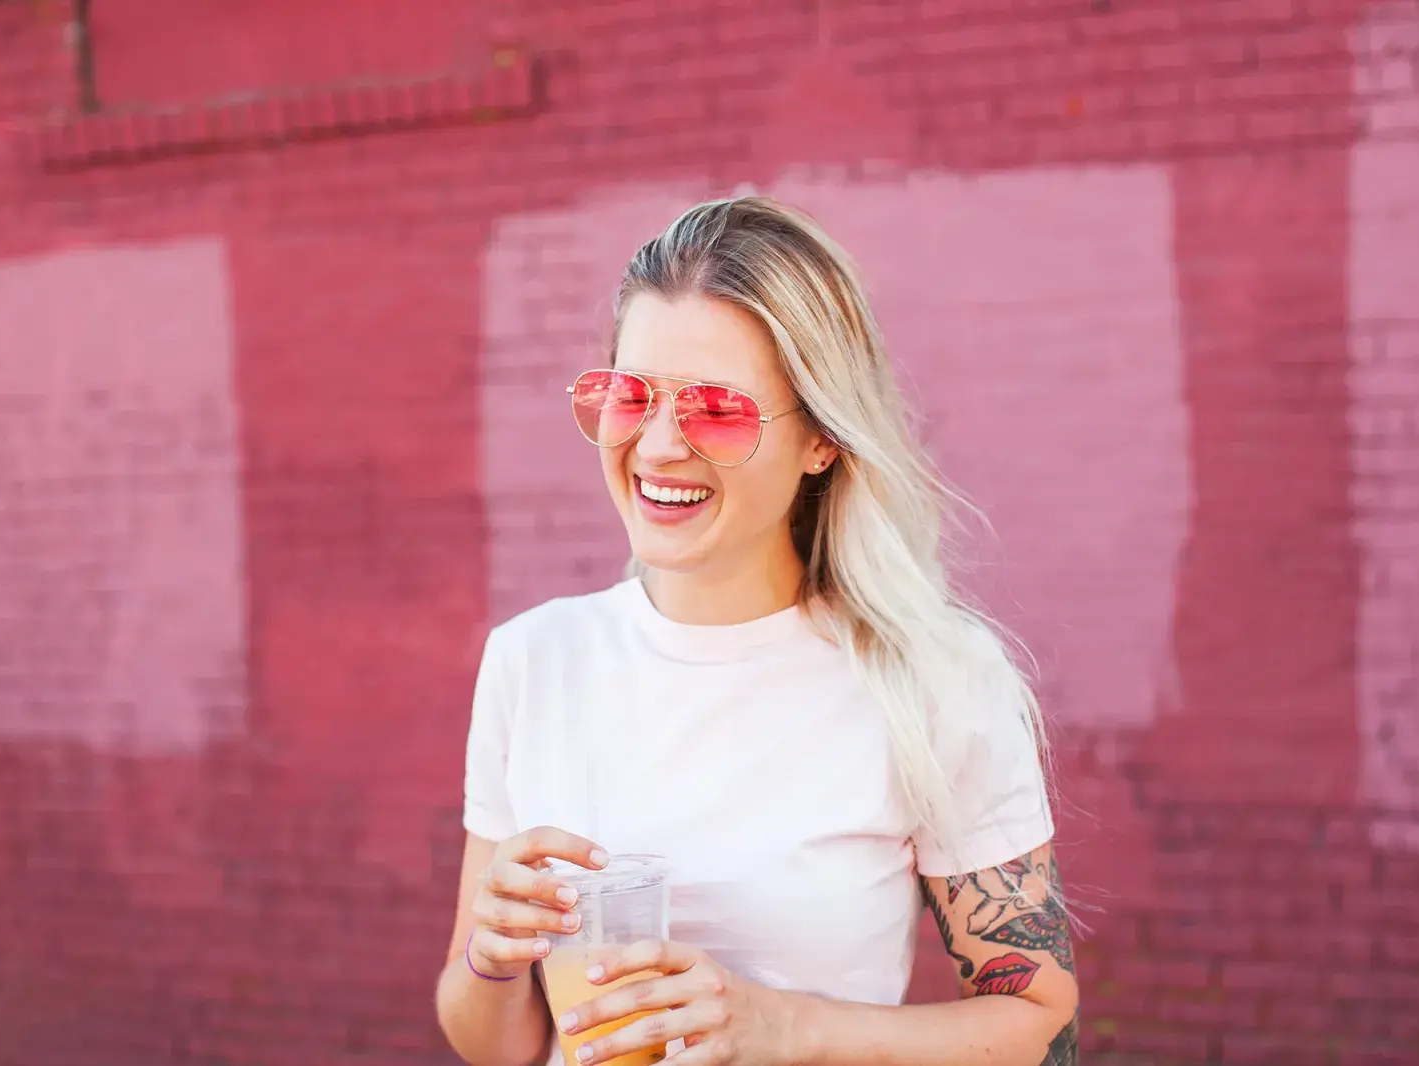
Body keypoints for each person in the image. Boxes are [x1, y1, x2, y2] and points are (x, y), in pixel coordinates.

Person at [435, 197, 1078, 1066]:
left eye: (717, 409)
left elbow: (1041, 1030)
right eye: (630, 396)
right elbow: (498, 1048)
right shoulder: (532, 660)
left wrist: (787, 1028)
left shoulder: (933, 680)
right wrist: (492, 958)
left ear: (822, 439)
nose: (656, 448)